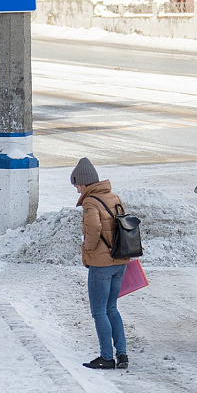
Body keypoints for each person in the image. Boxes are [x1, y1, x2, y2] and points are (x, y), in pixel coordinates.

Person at [72, 157, 130, 370]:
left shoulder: (90, 202)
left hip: (101, 263)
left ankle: (107, 357)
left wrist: (88, 248)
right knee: (111, 308)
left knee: (99, 311)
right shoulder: (113, 196)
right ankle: (122, 354)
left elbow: (94, 229)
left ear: (85, 182)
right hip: (120, 260)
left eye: (77, 185)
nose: (77, 190)